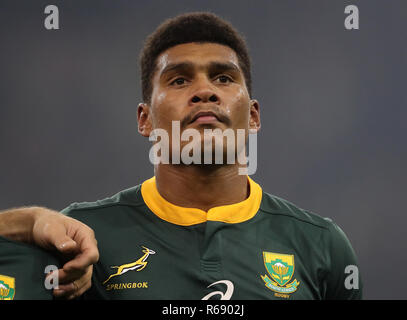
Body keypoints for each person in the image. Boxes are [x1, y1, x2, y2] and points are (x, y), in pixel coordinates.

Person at [0, 12, 362, 299]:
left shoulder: (321, 245)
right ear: (145, 119)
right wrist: (30, 221)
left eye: (223, 78)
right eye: (179, 80)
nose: (204, 90)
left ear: (253, 116)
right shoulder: (82, 238)